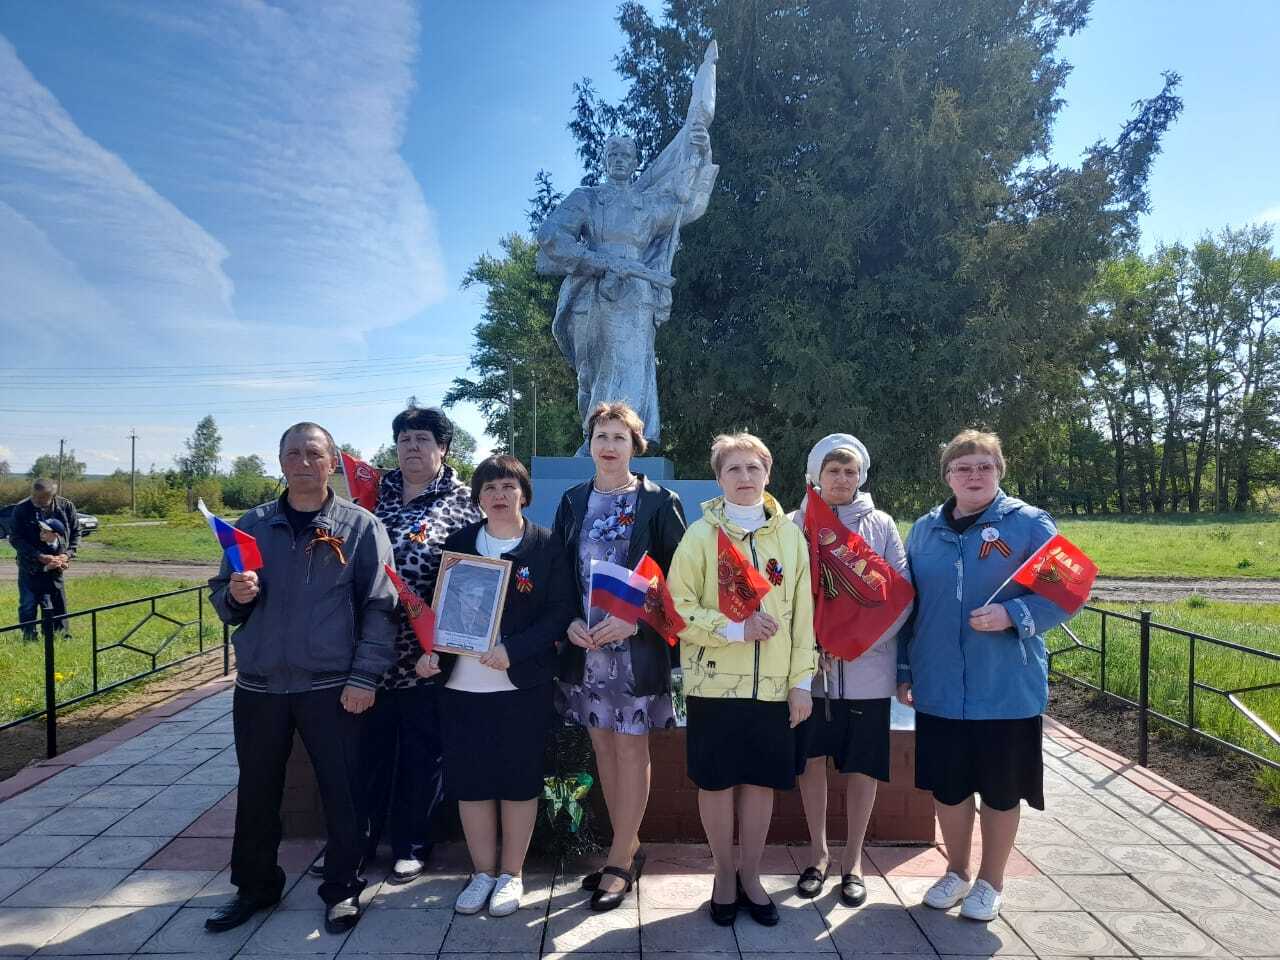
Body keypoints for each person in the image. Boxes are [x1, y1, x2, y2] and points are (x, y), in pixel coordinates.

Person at [207, 422, 397, 935]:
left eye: (314, 453)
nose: (303, 462)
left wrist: (365, 677)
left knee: (343, 792)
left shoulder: (360, 527)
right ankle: (255, 887)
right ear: (281, 462)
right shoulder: (253, 525)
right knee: (257, 791)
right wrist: (234, 597)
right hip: (260, 685)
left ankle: (342, 888)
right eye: (293, 453)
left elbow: (381, 607)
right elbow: (222, 594)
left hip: (331, 685)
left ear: (332, 462)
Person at [897, 429, 1072, 922]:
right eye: (963, 467)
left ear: (1000, 471)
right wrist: (905, 668)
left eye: (984, 466)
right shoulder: (924, 530)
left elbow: (1066, 591)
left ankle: (991, 882)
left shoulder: (1029, 524)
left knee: (1000, 789)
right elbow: (910, 606)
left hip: (1005, 687)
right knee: (949, 788)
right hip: (938, 686)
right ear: (947, 476)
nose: (973, 475)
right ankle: (956, 872)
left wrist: (1013, 615)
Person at [415, 455, 575, 918]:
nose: (499, 495)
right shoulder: (460, 543)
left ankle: (511, 874)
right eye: (489, 488)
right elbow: (439, 607)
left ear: (524, 493)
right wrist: (431, 653)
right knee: (471, 782)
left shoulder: (545, 544)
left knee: (519, 781)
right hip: (462, 684)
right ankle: (482, 873)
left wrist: (514, 649)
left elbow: (560, 612)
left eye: (508, 486)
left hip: (522, 683)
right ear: (478, 498)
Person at [666, 433, 816, 927]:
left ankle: (751, 875)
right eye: (734, 469)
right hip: (714, 685)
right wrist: (735, 629)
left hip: (773, 687)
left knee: (759, 784)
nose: (745, 477)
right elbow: (676, 608)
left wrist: (801, 682)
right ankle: (723, 876)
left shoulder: (790, 537)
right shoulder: (699, 536)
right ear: (719, 478)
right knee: (717, 783)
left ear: (768, 474)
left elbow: (803, 616)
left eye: (754, 468)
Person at [553, 401, 687, 911]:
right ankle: (625, 848)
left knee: (631, 750)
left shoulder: (658, 502)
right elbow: (560, 573)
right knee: (604, 749)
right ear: (589, 444)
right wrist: (568, 621)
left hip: (635, 650)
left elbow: (680, 579)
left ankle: (618, 860)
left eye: (619, 437)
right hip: (587, 650)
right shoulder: (573, 501)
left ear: (635, 446)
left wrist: (638, 621)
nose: (609, 446)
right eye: (601, 436)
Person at [536, 128, 717, 453]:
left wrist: (699, 156)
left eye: (626, 156)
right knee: (595, 372)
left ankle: (626, 439)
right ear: (605, 161)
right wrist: (594, 261)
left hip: (636, 294)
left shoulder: (647, 204)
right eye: (613, 155)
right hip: (594, 292)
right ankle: (596, 437)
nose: (619, 161)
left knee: (631, 368)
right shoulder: (588, 198)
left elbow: (687, 207)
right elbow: (551, 235)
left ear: (635, 163)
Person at [361, 405, 481, 884]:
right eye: (405, 439)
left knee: (421, 755)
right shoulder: (372, 496)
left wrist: (446, 646)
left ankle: (411, 846)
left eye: (423, 439)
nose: (412, 447)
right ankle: (357, 843)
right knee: (365, 755)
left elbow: (475, 578)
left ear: (443, 448)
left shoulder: (464, 501)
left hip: (427, 657)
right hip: (369, 654)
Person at [790, 435, 908, 907]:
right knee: (811, 763)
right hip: (811, 671)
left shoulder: (880, 525)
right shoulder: (795, 523)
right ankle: (817, 854)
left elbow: (901, 594)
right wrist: (812, 646)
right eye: (833, 471)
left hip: (867, 670)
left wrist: (856, 645)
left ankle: (852, 860)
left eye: (850, 471)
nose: (841, 479)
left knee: (862, 766)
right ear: (816, 475)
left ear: (861, 476)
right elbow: (783, 593)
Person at [8, 479, 78, 641]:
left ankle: (59, 636)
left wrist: (67, 555)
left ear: (53, 495)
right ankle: (29, 637)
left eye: (41, 498)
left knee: (58, 602)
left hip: (56, 567)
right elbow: (15, 538)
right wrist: (39, 556)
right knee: (28, 603)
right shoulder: (21, 509)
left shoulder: (66, 507)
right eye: (34, 496)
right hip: (29, 566)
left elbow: (76, 533)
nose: (36, 500)